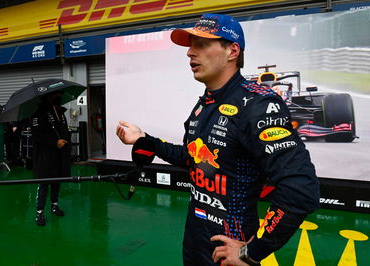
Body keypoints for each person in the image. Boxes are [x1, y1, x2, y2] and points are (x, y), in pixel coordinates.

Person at [116, 14, 320, 265]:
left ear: (232, 50)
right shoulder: (205, 104)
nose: (190, 52)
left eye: (201, 44)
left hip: (229, 248)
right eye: (191, 44)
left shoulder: (258, 103)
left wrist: (252, 252)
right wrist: (144, 139)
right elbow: (195, 159)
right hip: (196, 239)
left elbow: (300, 190)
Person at [31, 91, 71, 226]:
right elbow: (37, 135)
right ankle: (39, 213)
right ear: (48, 97)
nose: (59, 96)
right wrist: (54, 142)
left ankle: (54, 205)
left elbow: (64, 130)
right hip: (44, 156)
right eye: (55, 95)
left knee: (57, 181)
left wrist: (65, 139)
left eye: (59, 94)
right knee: (44, 184)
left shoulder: (60, 112)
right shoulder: (38, 113)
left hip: (58, 155)